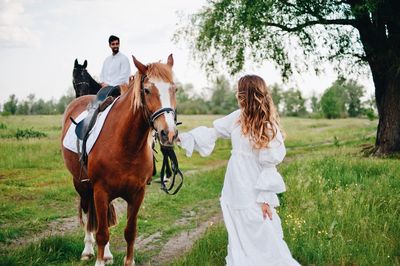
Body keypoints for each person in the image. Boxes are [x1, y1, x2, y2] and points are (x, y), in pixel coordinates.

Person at [178, 75, 300, 265]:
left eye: (240, 91)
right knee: (239, 229)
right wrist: (185, 138)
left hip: (254, 187)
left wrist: (266, 199)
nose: (237, 95)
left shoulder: (267, 126)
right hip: (235, 185)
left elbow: (269, 166)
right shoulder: (237, 117)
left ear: (248, 94)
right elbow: (213, 132)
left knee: (261, 227)